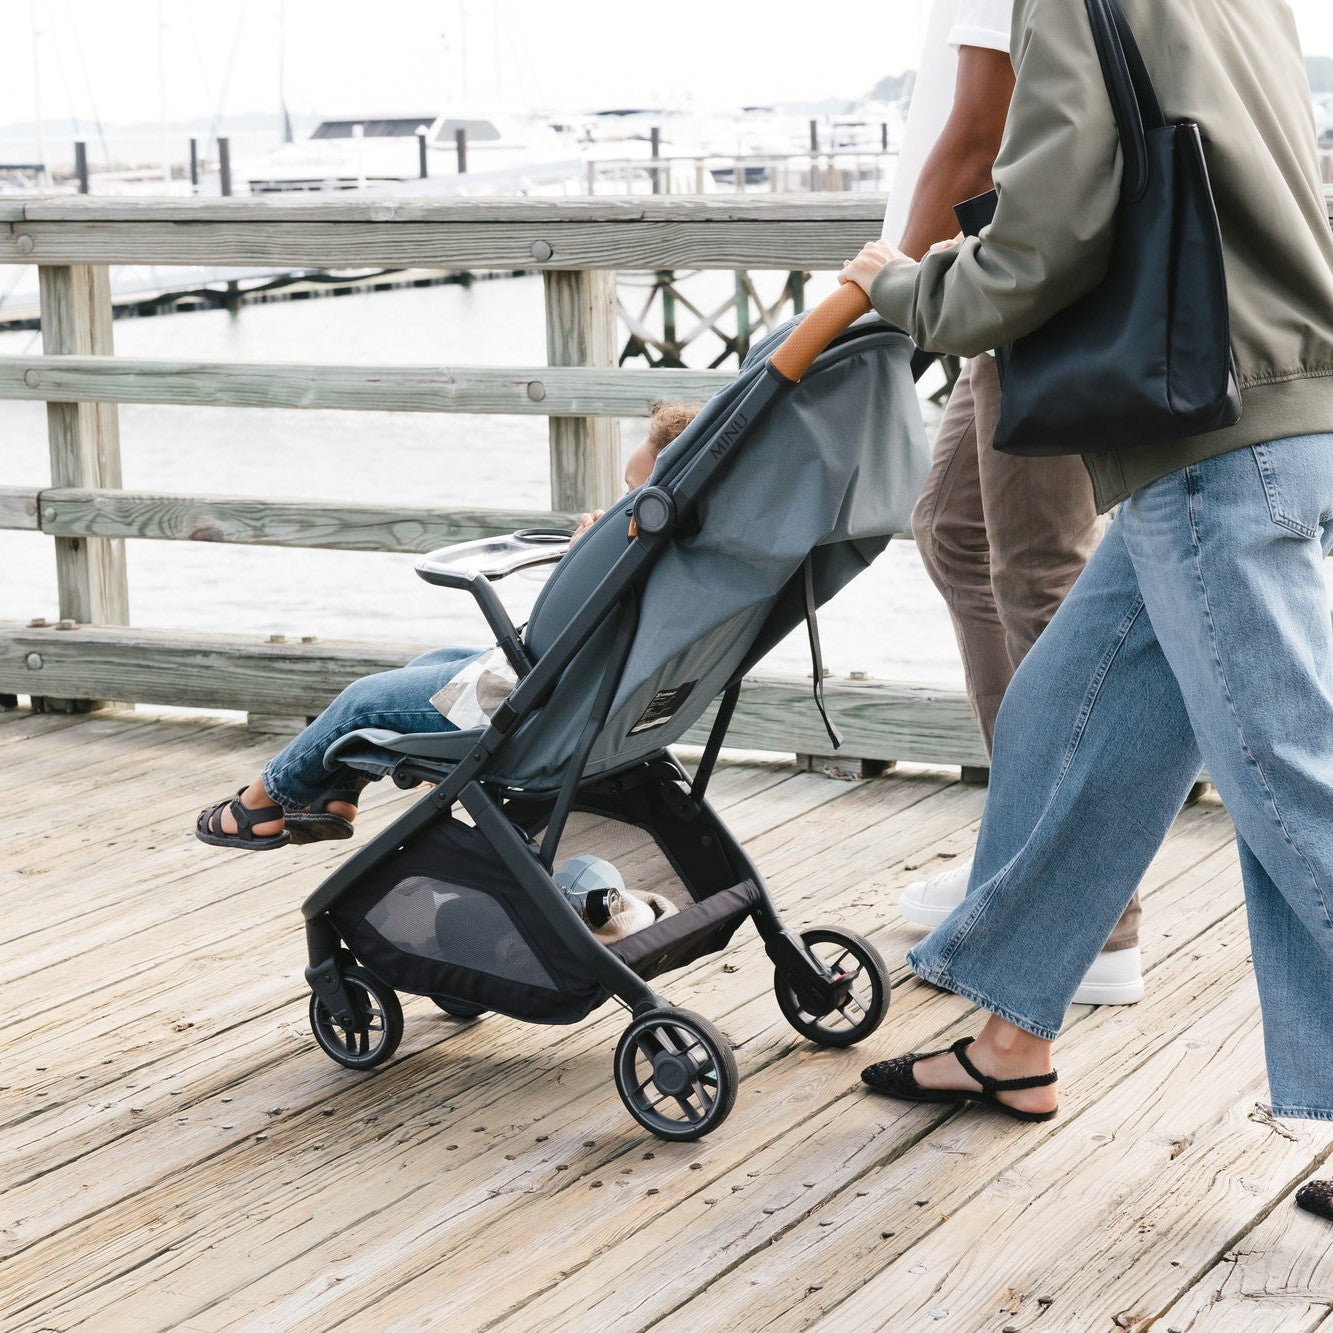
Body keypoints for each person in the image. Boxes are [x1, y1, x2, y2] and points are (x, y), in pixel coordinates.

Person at [839, 0, 1333, 1162]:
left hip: (1214, 446)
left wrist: (904, 288)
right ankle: (1011, 1035)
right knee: (1067, 719)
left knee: (1292, 792)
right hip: (1254, 415)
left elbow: (1045, 235)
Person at [886, 0, 1142, 1005]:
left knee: (1043, 573)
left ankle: (1091, 916)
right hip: (998, 291)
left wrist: (877, 301)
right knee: (953, 535)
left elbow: (977, 136)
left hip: (1031, 290)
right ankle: (1020, 849)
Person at [194, 401, 698, 851]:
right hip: (591, 707)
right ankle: (339, 792)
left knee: (362, 701)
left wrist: (582, 556)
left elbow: (570, 615)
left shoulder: (634, 556)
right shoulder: (687, 568)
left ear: (659, 503)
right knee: (432, 664)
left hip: (537, 715)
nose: (618, 505)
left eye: (630, 493)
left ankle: (263, 803)